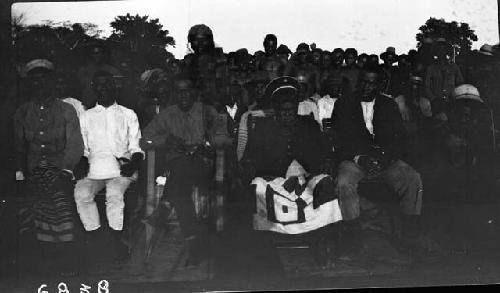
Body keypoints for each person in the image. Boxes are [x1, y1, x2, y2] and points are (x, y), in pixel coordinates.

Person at [331, 67, 433, 257]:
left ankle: (409, 236)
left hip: (385, 160)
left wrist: (383, 160)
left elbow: (399, 139)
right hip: (355, 159)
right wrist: (361, 159)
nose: (367, 87)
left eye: (372, 83)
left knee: (412, 179)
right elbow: (339, 140)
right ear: (358, 82)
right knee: (344, 183)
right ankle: (352, 236)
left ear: (379, 85)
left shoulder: (388, 104)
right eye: (364, 82)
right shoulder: (344, 104)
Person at [140, 75, 229, 266]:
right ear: (174, 94)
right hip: (178, 172)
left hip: (204, 168)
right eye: (179, 91)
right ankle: (194, 245)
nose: (183, 95)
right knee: (180, 191)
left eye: (187, 90)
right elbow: (144, 140)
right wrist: (165, 140)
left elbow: (223, 137)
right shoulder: (167, 114)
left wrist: (207, 143)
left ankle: (164, 206)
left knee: (180, 170)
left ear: (194, 93)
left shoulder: (207, 111)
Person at [241, 76, 340, 239]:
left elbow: (324, 152)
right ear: (275, 108)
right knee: (257, 186)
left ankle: (322, 239)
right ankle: (265, 240)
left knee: (324, 183)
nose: (288, 114)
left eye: (292, 109)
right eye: (283, 110)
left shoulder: (309, 125)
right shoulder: (263, 127)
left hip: (306, 178)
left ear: (296, 107)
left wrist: (324, 162)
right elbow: (250, 156)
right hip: (273, 179)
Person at [14, 59, 84, 276]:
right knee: (36, 202)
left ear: (52, 83)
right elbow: (19, 147)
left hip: (61, 168)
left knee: (57, 200)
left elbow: (75, 144)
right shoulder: (23, 112)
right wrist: (19, 175)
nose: (39, 85)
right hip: (34, 169)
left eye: (43, 81)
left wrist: (66, 171)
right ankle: (46, 258)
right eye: (34, 82)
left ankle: (65, 259)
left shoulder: (66, 110)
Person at [74, 70, 144, 265]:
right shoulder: (86, 116)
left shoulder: (128, 114)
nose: (103, 89)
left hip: (122, 169)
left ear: (115, 87)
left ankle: (116, 241)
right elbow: (84, 148)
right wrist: (82, 161)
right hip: (94, 168)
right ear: (94, 89)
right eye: (99, 86)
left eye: (107, 85)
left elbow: (136, 147)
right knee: (81, 193)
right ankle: (95, 237)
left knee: (114, 194)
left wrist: (134, 163)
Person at [77, 42, 121, 109]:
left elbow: (118, 92)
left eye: (99, 53)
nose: (97, 55)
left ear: (103, 54)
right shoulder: (84, 71)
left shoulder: (113, 71)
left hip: (108, 107)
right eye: (94, 53)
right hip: (88, 107)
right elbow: (79, 90)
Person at [424, 40, 464, 104]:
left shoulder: (454, 67)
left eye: (444, 49)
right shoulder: (431, 68)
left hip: (452, 102)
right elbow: (427, 87)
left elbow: (460, 84)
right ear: (436, 52)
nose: (441, 52)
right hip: (436, 102)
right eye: (439, 49)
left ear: (447, 51)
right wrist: (433, 99)